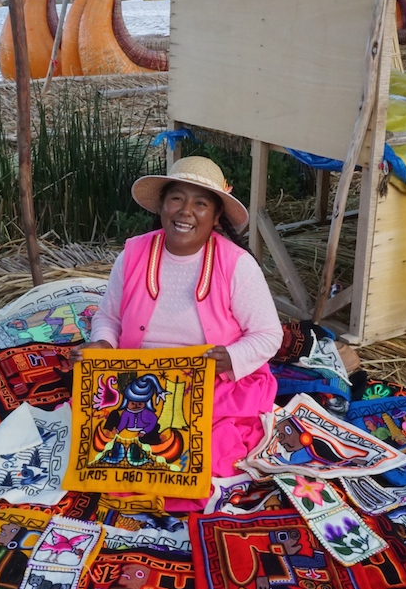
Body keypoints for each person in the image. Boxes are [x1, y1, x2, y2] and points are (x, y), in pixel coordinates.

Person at [73, 156, 283, 485]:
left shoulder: (236, 265)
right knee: (97, 442)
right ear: (161, 207)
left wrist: (231, 357)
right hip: (137, 379)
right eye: (177, 199)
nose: (186, 212)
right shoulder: (132, 254)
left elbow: (269, 334)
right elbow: (109, 316)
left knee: (203, 458)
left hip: (211, 382)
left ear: (215, 218)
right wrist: (103, 344)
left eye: (200, 203)